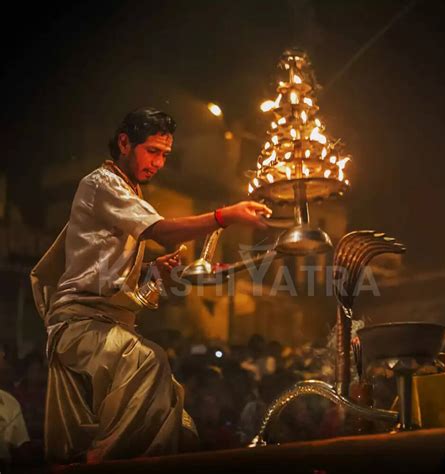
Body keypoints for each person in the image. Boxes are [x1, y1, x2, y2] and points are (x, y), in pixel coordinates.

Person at [30, 107, 271, 464]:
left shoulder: (130, 190)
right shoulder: (101, 183)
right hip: (81, 324)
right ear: (125, 143)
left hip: (105, 322)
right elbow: (160, 231)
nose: (159, 162)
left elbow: (99, 262)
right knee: (149, 362)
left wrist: (148, 269)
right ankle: (106, 464)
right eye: (152, 151)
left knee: (165, 396)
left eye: (165, 155)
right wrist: (223, 216)